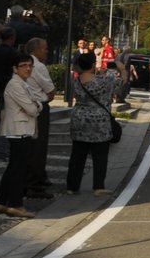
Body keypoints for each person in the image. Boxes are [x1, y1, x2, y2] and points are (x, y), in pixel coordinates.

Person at [0, 53, 44, 220]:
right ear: (15, 68)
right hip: (18, 130)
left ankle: (1, 201)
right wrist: (35, 106)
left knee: (14, 167)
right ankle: (15, 204)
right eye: (23, 65)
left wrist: (35, 106)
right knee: (18, 169)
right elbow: (32, 108)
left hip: (22, 129)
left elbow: (37, 103)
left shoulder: (23, 84)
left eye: (30, 65)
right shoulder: (15, 84)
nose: (28, 68)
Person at [67, 52, 116, 196]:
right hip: (99, 122)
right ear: (94, 65)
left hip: (79, 119)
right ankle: (98, 186)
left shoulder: (76, 81)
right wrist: (120, 69)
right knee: (100, 155)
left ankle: (72, 186)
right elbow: (119, 82)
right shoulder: (102, 81)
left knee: (77, 155)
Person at [24, 37, 56, 198]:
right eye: (44, 49)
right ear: (36, 50)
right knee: (38, 147)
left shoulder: (20, 63)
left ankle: (26, 180)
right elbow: (50, 90)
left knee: (26, 146)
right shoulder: (38, 66)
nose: (46, 51)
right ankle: (34, 184)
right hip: (38, 107)